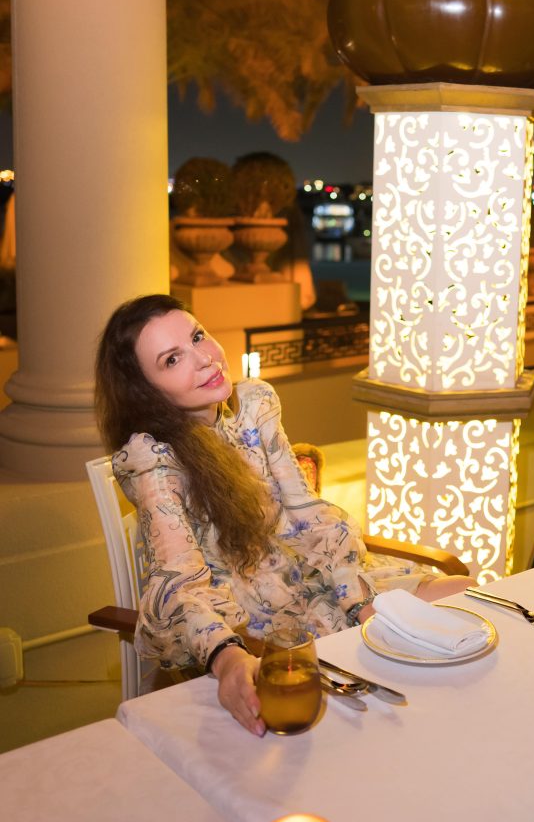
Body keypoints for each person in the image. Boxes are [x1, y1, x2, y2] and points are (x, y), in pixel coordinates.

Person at [95, 294, 473, 735]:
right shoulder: (153, 460)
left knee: (466, 594)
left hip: (319, 580)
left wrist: (359, 601)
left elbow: (309, 515)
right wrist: (227, 657)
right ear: (145, 390)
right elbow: (178, 584)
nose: (204, 358)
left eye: (197, 336)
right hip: (255, 621)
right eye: (172, 359)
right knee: (399, 692)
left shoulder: (254, 407)